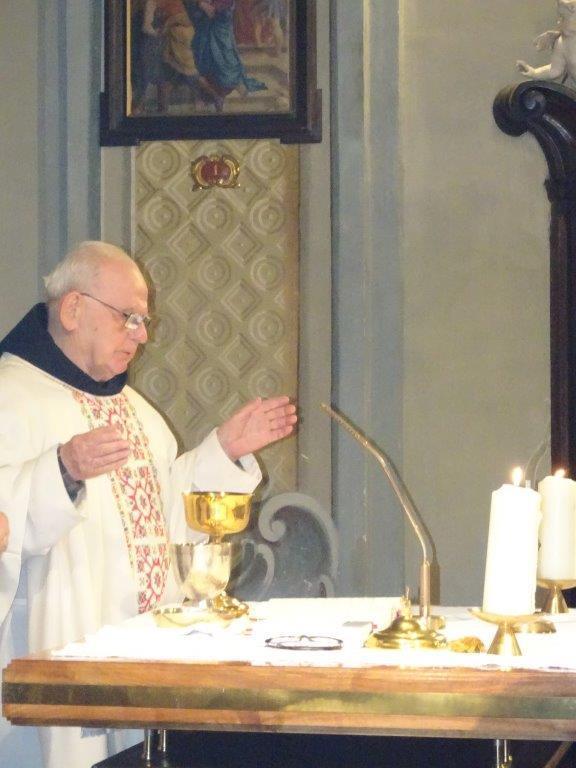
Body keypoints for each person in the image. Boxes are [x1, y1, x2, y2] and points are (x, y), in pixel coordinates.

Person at [0, 241, 296, 768]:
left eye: (144, 320)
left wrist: (223, 452)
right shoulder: (11, 397)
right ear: (73, 309)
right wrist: (60, 471)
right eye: (129, 318)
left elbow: (163, 515)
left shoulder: (137, 411)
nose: (141, 335)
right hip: (53, 649)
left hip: (141, 657)